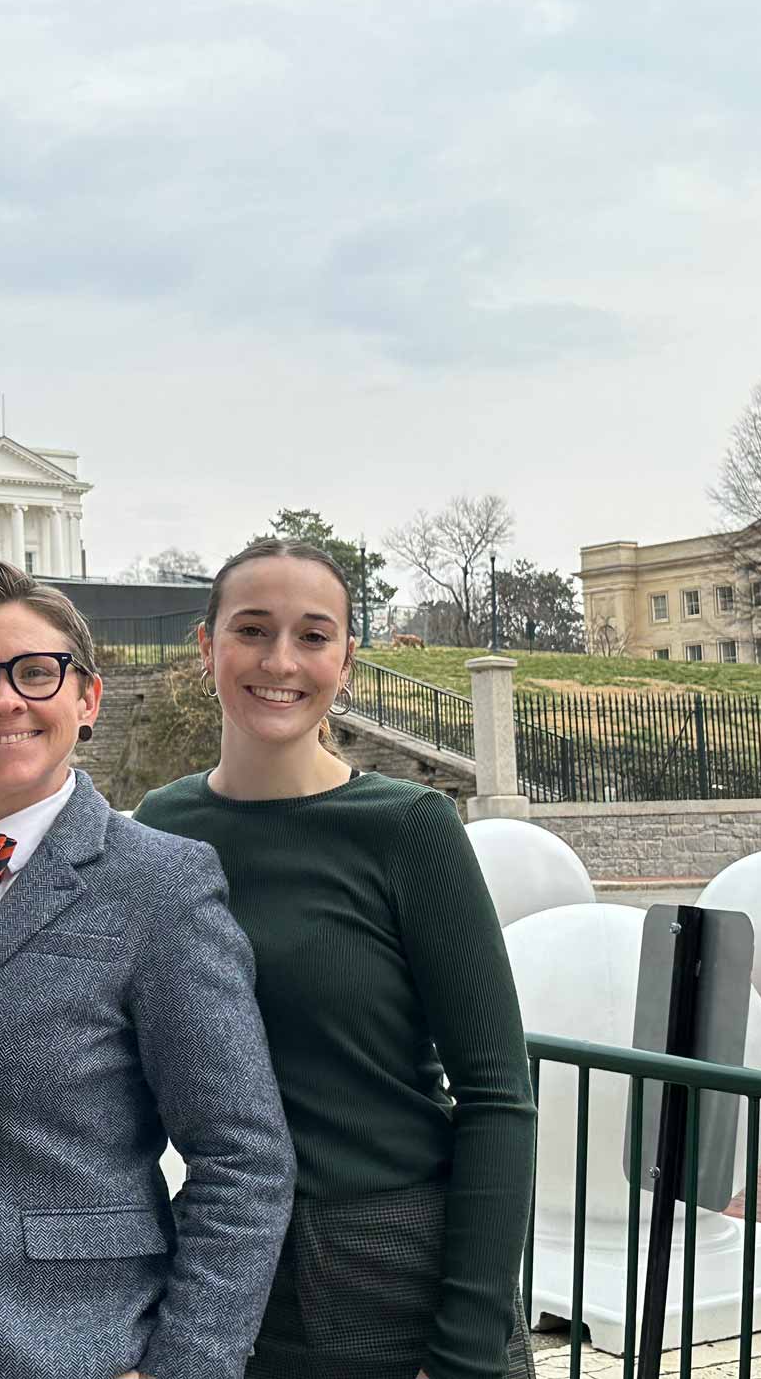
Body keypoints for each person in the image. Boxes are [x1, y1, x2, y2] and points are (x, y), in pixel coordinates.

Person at [0, 559, 294, 1379]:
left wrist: (187, 1364)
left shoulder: (161, 886)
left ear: (87, 701)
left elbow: (243, 1159)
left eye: (36, 673)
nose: (5, 700)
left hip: (66, 1345)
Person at [133, 538, 537, 1379]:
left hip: (395, 1264)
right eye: (252, 630)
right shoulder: (158, 831)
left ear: (347, 660)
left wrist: (464, 1351)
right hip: (221, 1267)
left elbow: (498, 1096)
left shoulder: (409, 828)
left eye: (314, 636)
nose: (281, 660)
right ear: (206, 648)